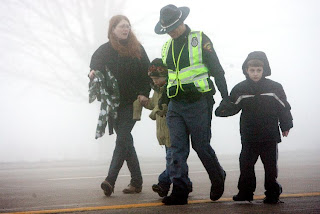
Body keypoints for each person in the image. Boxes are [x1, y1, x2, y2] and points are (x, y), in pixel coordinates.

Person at [154, 4, 229, 205]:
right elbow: (171, 76)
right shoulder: (166, 47)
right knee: (177, 148)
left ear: (182, 21)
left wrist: (226, 96)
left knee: (201, 145)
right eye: (168, 29)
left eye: (175, 26)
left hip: (199, 101)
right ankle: (180, 190)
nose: (172, 31)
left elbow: (217, 69)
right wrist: (163, 100)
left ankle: (217, 176)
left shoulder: (199, 39)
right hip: (176, 105)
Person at [215, 51, 293, 204]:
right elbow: (232, 107)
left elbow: (283, 107)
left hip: (269, 135)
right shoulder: (240, 88)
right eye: (252, 70)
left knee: (270, 167)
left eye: (259, 70)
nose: (255, 74)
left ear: (264, 70)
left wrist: (286, 124)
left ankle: (272, 193)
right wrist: (222, 109)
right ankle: (245, 192)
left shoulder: (274, 87)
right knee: (245, 164)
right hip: (249, 135)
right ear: (246, 70)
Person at [89, 15, 151, 196]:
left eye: (128, 26)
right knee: (126, 142)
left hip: (132, 102)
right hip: (113, 104)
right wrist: (92, 73)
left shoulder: (137, 49)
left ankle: (110, 180)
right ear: (113, 29)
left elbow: (147, 74)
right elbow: (95, 66)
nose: (126, 29)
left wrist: (143, 92)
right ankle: (137, 182)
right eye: (122, 26)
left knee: (122, 138)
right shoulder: (104, 50)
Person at [143, 58, 193, 198]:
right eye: (152, 79)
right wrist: (144, 102)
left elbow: (161, 108)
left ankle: (163, 183)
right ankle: (186, 184)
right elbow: (154, 104)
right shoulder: (157, 91)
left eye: (157, 78)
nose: (155, 82)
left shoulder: (170, 90)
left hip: (173, 133)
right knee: (175, 161)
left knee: (173, 160)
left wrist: (154, 112)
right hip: (164, 134)